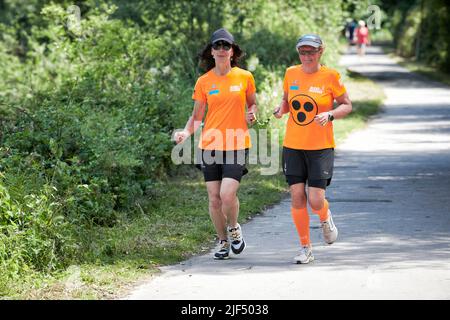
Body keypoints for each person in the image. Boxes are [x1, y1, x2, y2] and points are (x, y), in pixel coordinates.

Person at [174, 28, 257, 260]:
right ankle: (221, 241)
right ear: (211, 51)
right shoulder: (204, 81)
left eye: (226, 46)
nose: (221, 50)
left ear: (233, 52)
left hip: (237, 142)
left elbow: (253, 104)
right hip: (210, 144)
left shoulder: (245, 77)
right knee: (214, 198)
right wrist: (185, 132)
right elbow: (197, 116)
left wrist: (252, 114)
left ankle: (233, 228)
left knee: (227, 195)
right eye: (217, 46)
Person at [273, 34, 352, 264]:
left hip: (320, 147)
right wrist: (280, 110)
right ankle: (305, 247)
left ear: (320, 52)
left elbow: (347, 105)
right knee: (297, 196)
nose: (306, 56)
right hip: (293, 145)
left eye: (311, 51)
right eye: (303, 52)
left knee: (316, 200)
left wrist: (330, 114)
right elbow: (287, 102)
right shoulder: (290, 73)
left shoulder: (330, 76)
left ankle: (325, 216)